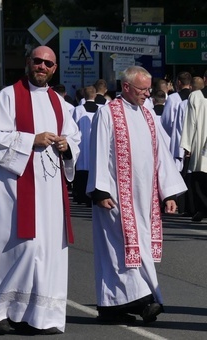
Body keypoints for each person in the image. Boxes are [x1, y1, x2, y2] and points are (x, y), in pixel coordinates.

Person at [0, 46, 80, 335]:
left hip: (51, 190)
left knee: (47, 251)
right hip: (16, 188)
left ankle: (38, 316)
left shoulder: (59, 101)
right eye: (38, 61)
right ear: (28, 63)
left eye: (48, 63)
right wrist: (33, 139)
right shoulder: (9, 95)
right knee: (21, 248)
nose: (42, 67)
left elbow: (74, 137)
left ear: (54, 69)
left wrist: (67, 146)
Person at [86, 66, 187, 324]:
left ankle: (112, 307)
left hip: (145, 198)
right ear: (127, 87)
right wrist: (100, 190)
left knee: (133, 248)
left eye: (149, 89)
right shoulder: (108, 113)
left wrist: (168, 194)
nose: (147, 94)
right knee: (122, 249)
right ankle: (145, 302)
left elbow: (161, 155)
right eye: (143, 89)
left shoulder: (149, 115)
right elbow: (97, 150)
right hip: (115, 197)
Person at [181, 78, 207, 222]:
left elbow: (190, 122)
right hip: (202, 139)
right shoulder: (196, 96)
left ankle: (202, 209)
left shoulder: (196, 96)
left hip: (201, 139)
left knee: (199, 176)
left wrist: (187, 145)